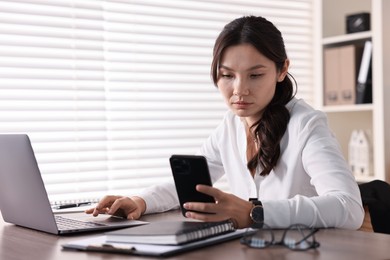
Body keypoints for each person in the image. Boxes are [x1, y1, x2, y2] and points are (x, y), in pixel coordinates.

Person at [86, 15, 364, 230]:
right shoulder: (229, 127)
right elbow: (192, 187)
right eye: (227, 75)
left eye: (255, 75)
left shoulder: (306, 125)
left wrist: (256, 212)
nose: (239, 90)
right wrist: (140, 201)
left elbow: (349, 207)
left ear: (282, 70)